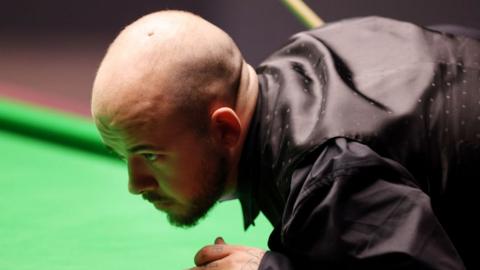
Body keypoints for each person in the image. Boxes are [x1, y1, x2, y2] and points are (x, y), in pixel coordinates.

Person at [91, 10, 480, 270]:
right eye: (123, 154)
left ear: (225, 129)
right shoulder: (306, 51)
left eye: (150, 155)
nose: (134, 183)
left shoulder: (330, 173)